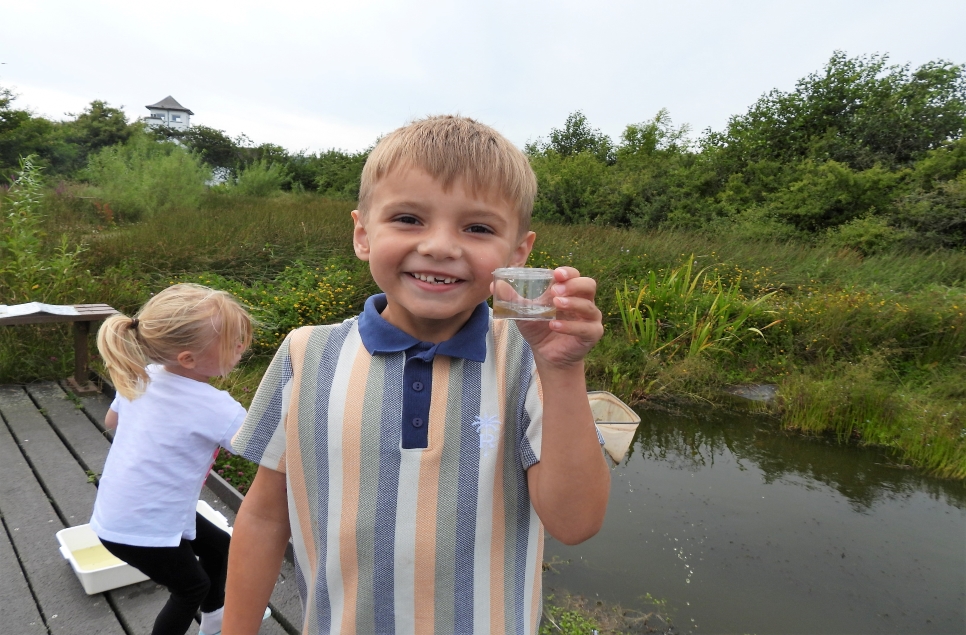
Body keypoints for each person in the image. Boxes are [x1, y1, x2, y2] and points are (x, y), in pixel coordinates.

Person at [224, 115, 611, 635]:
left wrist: (563, 369)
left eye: (477, 228)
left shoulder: (531, 361)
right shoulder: (305, 352)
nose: (440, 246)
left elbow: (575, 523)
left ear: (518, 254)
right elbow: (267, 518)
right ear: (363, 233)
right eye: (408, 218)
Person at [91, 283, 266, 635]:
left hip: (123, 513)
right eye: (234, 341)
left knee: (220, 548)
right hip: (144, 526)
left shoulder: (144, 377)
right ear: (188, 358)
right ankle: (207, 613)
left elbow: (112, 421)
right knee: (190, 588)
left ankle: (216, 620)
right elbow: (263, 450)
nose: (242, 348)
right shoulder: (214, 407)